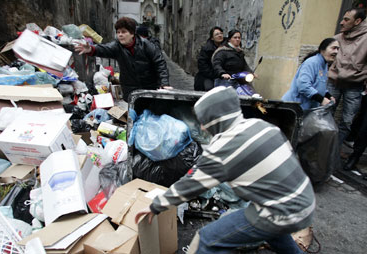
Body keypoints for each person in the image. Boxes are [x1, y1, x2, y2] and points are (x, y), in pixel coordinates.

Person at [135, 86, 315, 254]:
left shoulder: (223, 146)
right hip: (304, 202)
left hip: (278, 210)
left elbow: (191, 184)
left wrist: (156, 206)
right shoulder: (262, 125)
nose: (203, 127)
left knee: (207, 239)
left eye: (204, 121)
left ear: (215, 118)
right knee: (275, 231)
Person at [75, 17, 169, 101]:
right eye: (118, 32)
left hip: (149, 87)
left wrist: (164, 84)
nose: (120, 35)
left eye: (124, 32)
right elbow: (105, 48)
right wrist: (91, 49)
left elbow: (159, 62)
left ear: (132, 33)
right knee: (133, 116)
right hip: (130, 89)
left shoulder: (146, 45)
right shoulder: (117, 47)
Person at [327, 8, 367, 146]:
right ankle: (323, 148)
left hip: (354, 86)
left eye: (346, 19)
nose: (341, 22)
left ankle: (335, 152)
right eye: (343, 18)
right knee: (325, 114)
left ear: (357, 21)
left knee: (347, 121)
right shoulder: (337, 38)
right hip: (333, 82)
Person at [281, 38, 339, 110]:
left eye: (337, 49)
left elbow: (319, 85)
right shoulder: (312, 62)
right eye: (333, 48)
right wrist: (321, 99)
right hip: (294, 107)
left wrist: (328, 96)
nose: (336, 51)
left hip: (307, 109)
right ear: (322, 50)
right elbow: (303, 86)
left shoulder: (324, 65)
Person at [194, 26, 224, 91]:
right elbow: (202, 65)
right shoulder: (207, 49)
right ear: (212, 38)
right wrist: (214, 74)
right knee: (209, 88)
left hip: (222, 74)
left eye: (221, 33)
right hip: (209, 75)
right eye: (217, 34)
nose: (220, 35)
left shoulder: (226, 46)